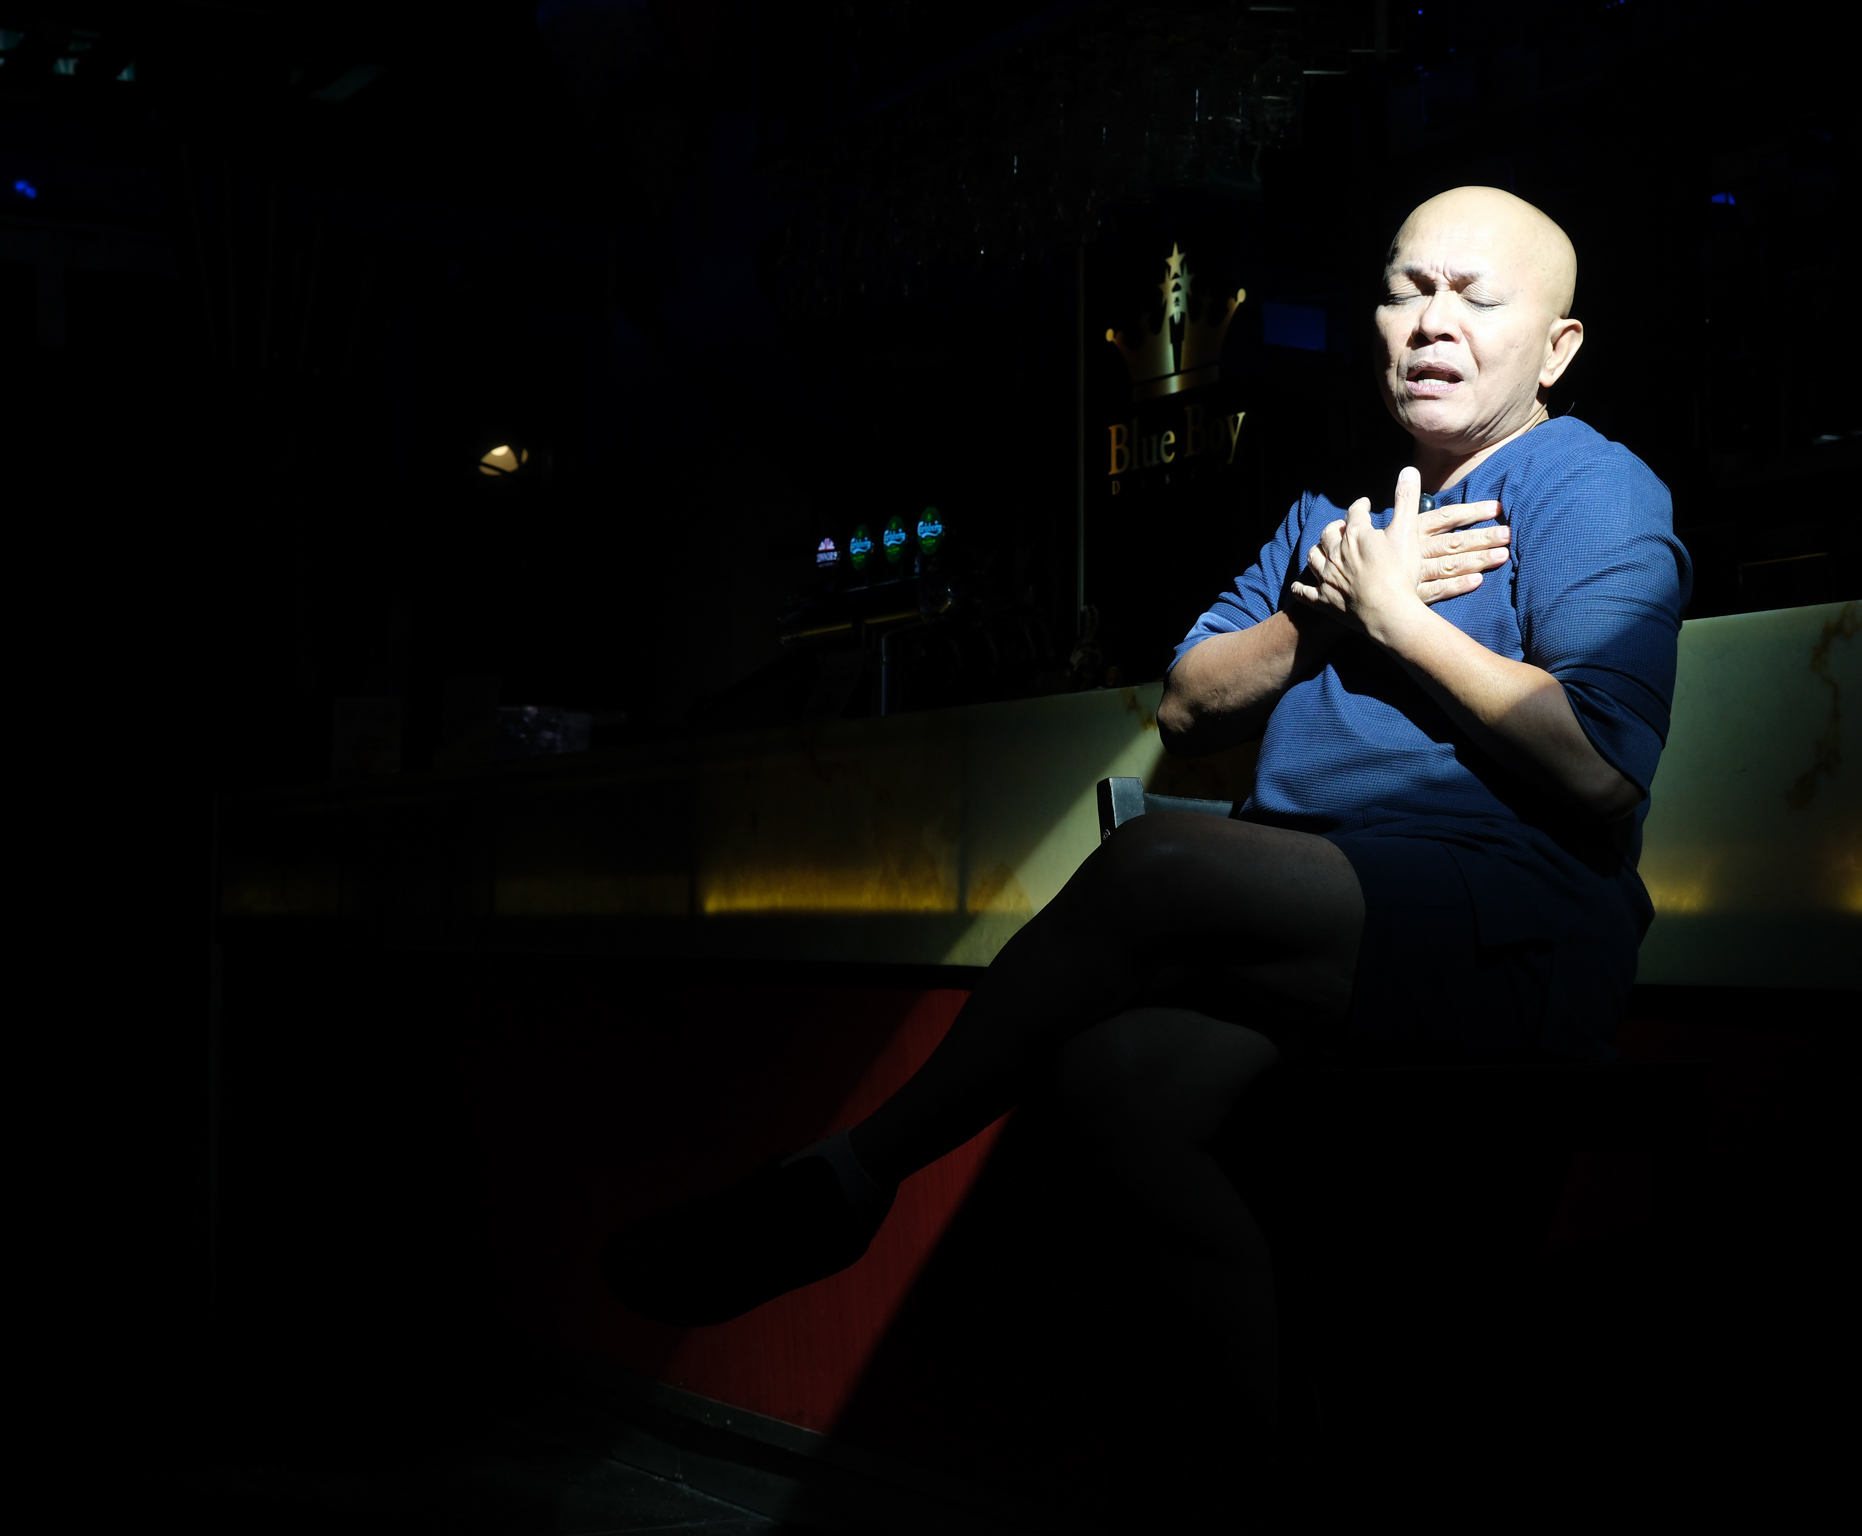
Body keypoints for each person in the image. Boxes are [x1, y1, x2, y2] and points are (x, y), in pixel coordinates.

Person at [602, 184, 1691, 1484]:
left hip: (1503, 931)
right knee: (1115, 1082)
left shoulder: (1589, 483)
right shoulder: (1326, 515)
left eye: (1476, 297)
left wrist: (1404, 620)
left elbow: (1604, 773)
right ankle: (1317, 1469)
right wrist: (1330, 618)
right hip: (1320, 932)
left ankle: (847, 1176)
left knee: (1158, 863)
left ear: (1557, 347)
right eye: (1408, 289)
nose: (1430, 323)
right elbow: (1188, 699)